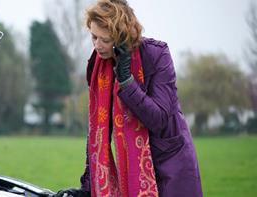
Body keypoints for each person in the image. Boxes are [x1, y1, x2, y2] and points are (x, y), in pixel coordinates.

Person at [53, 0, 203, 196]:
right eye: (93, 37)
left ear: (122, 37)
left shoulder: (158, 55)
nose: (97, 46)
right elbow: (97, 134)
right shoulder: (98, 67)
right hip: (130, 175)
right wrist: (87, 188)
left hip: (171, 168)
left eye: (105, 40)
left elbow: (159, 119)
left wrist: (126, 81)